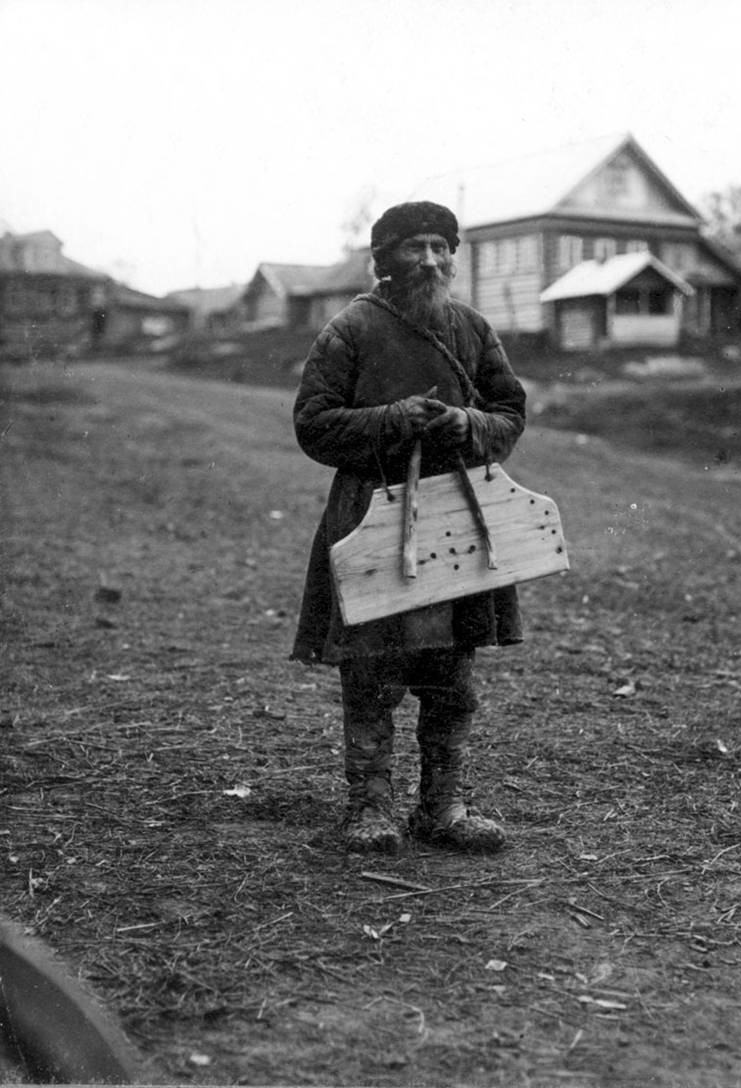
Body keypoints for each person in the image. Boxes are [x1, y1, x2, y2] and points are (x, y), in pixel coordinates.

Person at [290, 201, 527, 855]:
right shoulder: (351, 329)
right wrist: (391, 418)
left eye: (441, 247)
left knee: (452, 673)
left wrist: (470, 426)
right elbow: (312, 423)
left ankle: (442, 808)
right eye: (414, 247)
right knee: (372, 670)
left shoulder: (473, 330)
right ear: (383, 259)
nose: (430, 260)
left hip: (458, 516)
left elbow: (510, 411)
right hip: (373, 512)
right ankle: (369, 807)